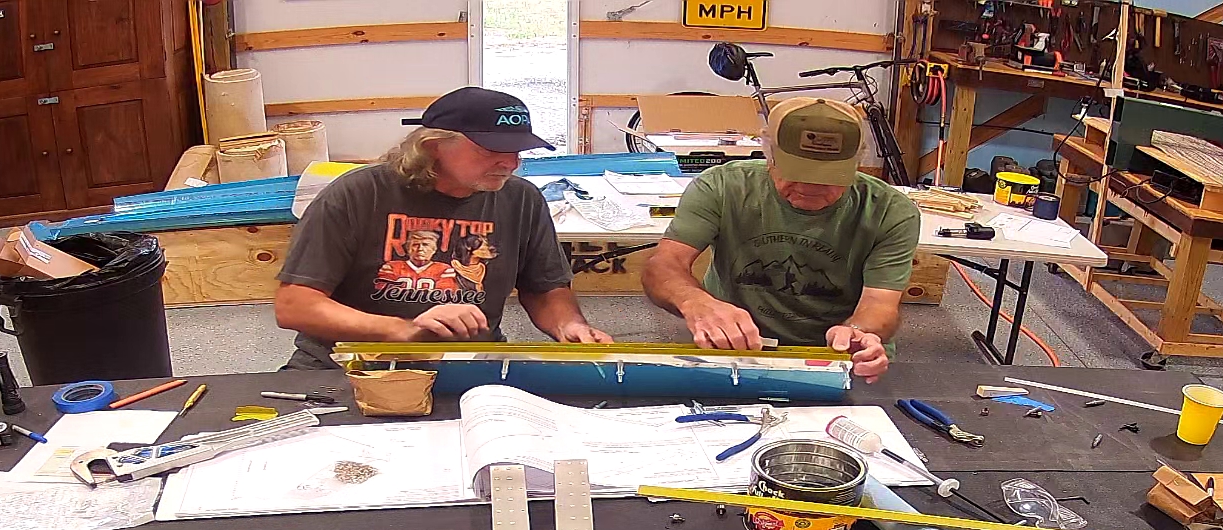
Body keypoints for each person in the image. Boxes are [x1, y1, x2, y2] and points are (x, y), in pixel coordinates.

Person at [274, 87, 611, 369]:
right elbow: (295, 305)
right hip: (351, 362)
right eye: (491, 150)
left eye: (517, 151)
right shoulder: (359, 193)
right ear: (432, 146)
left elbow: (544, 289)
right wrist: (402, 331)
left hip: (467, 363)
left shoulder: (521, 199)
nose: (510, 163)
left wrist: (569, 325)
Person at [642, 97, 921, 383]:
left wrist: (858, 332)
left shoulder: (890, 210)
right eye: (796, 172)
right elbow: (664, 265)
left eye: (829, 177)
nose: (809, 186)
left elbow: (880, 303)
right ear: (769, 157)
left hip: (837, 359)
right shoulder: (722, 186)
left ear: (857, 165)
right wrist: (696, 303)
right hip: (735, 348)